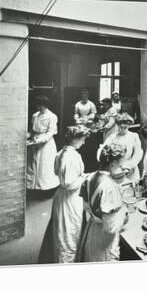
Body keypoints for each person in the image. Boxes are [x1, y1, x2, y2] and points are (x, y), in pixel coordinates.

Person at [77, 143, 128, 262]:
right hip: (105, 239)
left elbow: (86, 206)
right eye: (120, 164)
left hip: (92, 229)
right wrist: (123, 216)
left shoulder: (89, 177)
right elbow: (110, 228)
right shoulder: (109, 187)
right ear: (113, 163)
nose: (121, 167)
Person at [50, 126, 90, 263]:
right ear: (75, 139)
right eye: (82, 140)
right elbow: (70, 184)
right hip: (70, 199)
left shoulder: (60, 153)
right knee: (69, 236)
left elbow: (57, 172)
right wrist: (84, 178)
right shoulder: (73, 156)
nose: (83, 143)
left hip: (60, 197)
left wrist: (79, 176)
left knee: (61, 233)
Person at [98, 113, 143, 184]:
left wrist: (131, 165)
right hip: (116, 168)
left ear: (128, 126)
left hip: (130, 167)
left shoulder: (133, 136)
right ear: (117, 126)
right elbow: (102, 150)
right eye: (120, 127)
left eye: (125, 128)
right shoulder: (112, 137)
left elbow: (138, 152)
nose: (122, 129)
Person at [26, 96, 59, 190]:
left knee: (44, 165)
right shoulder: (35, 115)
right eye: (37, 105)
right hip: (34, 141)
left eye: (40, 105)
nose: (38, 107)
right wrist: (29, 136)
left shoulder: (52, 116)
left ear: (45, 105)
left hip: (46, 144)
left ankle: (45, 187)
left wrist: (39, 140)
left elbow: (50, 133)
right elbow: (32, 130)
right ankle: (33, 186)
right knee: (33, 163)